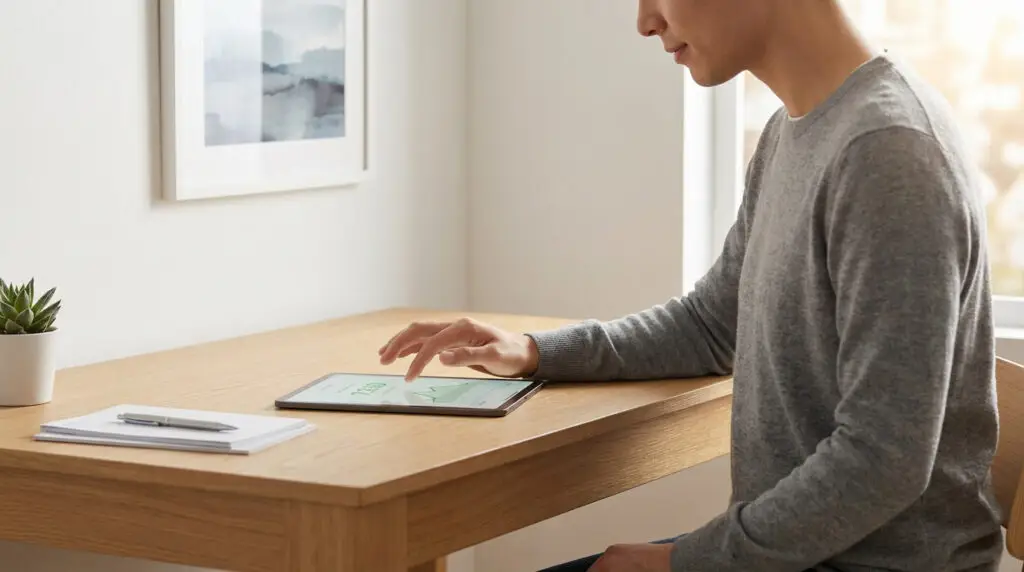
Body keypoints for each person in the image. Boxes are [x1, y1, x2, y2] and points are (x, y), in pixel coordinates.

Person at [377, 0, 1004, 570]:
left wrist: (686, 562)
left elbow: (884, 458)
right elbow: (710, 325)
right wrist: (535, 352)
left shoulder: (888, 153)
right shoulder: (797, 129)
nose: (645, 21)